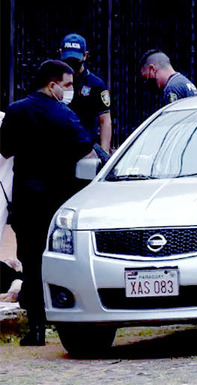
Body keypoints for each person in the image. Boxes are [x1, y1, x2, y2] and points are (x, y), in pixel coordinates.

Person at [0, 60, 94, 345]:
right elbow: (86, 148)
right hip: (58, 201)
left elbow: (5, 150)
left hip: (27, 200)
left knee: (30, 262)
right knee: (58, 260)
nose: (70, 90)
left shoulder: (16, 111)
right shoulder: (65, 115)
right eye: (67, 85)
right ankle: (63, 317)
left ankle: (37, 328)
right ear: (52, 85)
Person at [59, 33, 113, 153]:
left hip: (86, 148)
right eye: (69, 59)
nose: (72, 63)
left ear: (85, 55)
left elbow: (105, 119)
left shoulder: (95, 84)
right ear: (60, 53)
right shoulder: (53, 82)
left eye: (75, 59)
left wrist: (103, 152)